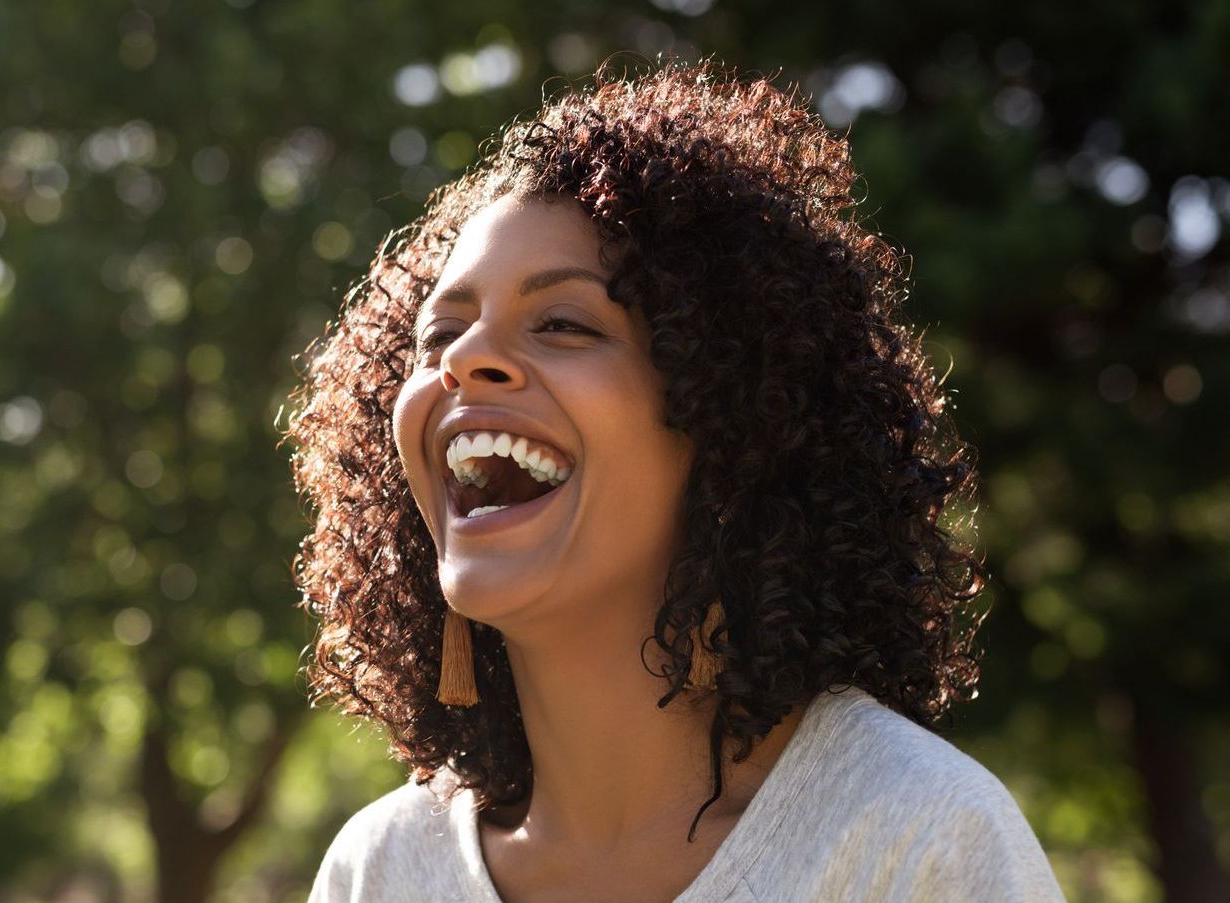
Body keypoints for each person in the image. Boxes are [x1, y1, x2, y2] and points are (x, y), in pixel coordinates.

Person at [282, 57, 1065, 902]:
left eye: (563, 322)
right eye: (441, 335)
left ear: (730, 420)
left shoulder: (912, 836)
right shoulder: (382, 870)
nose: (465, 361)